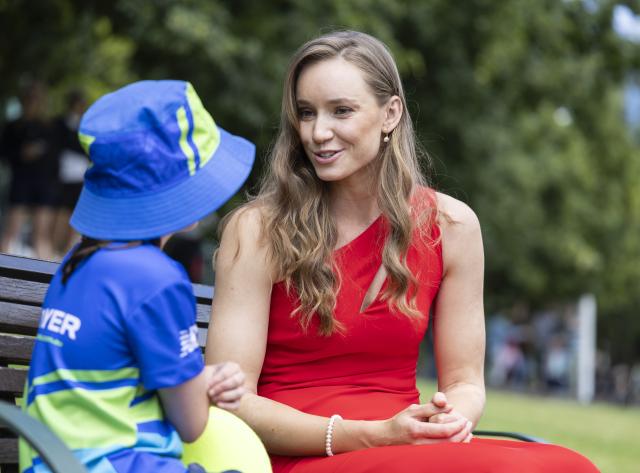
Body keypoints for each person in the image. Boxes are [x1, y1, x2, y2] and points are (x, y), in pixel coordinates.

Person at [205, 31, 599, 472]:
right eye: (306, 113)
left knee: (568, 466)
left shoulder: (452, 228)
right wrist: (366, 435)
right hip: (303, 451)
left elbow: (466, 382)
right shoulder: (259, 228)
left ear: (390, 113)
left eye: (341, 111)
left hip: (406, 446)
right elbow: (231, 401)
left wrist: (447, 421)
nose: (318, 132)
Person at [20, 80, 255, 473]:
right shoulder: (157, 279)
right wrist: (205, 388)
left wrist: (200, 379)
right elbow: (192, 423)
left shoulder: (76, 262)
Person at [0, 81, 58, 259]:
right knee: (11, 232)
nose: (33, 102)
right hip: (21, 182)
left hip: (44, 184)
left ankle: (46, 281)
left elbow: (56, 159)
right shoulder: (13, 127)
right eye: (30, 98)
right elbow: (4, 153)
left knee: (42, 235)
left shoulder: (49, 126)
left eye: (36, 98)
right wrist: (22, 154)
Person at [51, 89, 90, 257]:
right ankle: (55, 248)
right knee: (61, 212)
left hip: (80, 176)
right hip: (62, 174)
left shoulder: (85, 125)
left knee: (74, 213)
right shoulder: (60, 123)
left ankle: (68, 249)